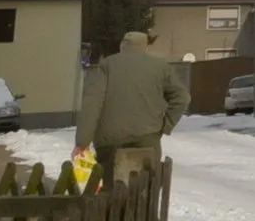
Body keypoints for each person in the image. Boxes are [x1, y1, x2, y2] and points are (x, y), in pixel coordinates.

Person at [74, 30, 190, 189]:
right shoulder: (161, 67)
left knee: (111, 190)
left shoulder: (107, 65)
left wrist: (82, 142)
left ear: (123, 46)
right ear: (145, 46)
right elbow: (182, 97)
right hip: (147, 138)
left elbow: (92, 104)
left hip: (111, 140)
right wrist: (166, 125)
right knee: (146, 190)